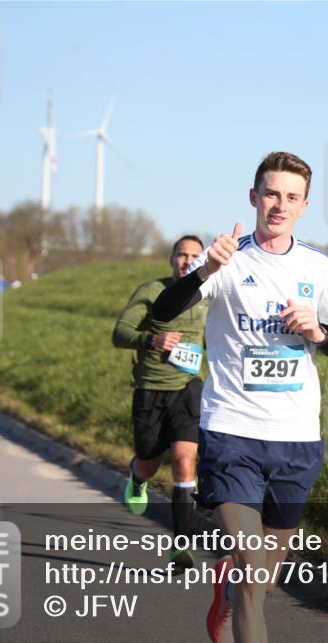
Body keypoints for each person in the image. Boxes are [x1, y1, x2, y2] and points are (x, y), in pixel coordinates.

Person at [152, 151, 328, 643]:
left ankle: (229, 595)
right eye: (270, 193)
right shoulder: (228, 258)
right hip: (231, 431)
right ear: (253, 197)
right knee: (249, 563)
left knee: (261, 577)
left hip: (296, 438)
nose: (278, 205)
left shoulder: (320, 267)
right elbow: (162, 311)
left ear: (304, 205)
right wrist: (206, 273)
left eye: (290, 197)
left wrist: (317, 332)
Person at [112, 234, 209, 573]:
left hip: (187, 388)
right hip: (150, 389)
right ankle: (137, 477)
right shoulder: (151, 291)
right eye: (181, 255)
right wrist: (152, 339)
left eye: (194, 256)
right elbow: (119, 333)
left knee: (185, 462)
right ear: (171, 259)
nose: (187, 261)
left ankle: (180, 546)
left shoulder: (208, 297)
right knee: (150, 463)